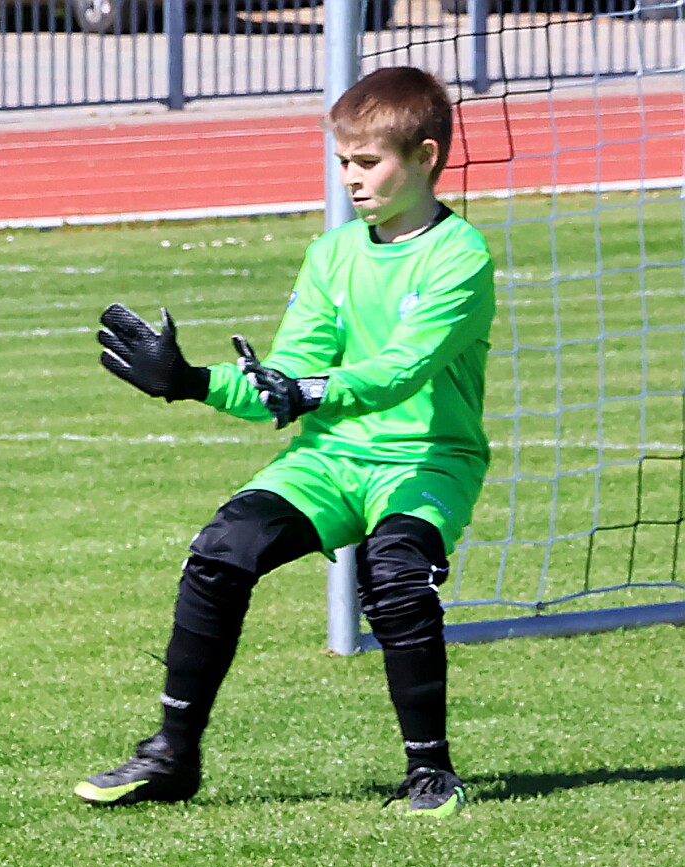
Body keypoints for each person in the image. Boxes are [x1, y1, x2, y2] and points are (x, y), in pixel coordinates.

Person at [77, 67, 495, 817]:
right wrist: (190, 381)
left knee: (395, 576)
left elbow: (399, 372)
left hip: (427, 459)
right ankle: (171, 754)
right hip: (330, 458)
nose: (351, 178)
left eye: (367, 162)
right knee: (220, 551)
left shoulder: (460, 256)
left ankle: (430, 771)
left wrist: (308, 391)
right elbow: (289, 374)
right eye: (343, 161)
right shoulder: (332, 254)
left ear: (426, 156)